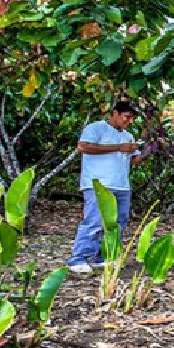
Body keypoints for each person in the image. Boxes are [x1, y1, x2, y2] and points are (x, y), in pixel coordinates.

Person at [68, 101, 145, 273]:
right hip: (99, 184)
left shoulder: (128, 136)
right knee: (95, 221)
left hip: (122, 185)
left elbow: (135, 159)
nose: (130, 121)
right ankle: (79, 258)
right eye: (127, 117)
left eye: (133, 118)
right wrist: (118, 147)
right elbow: (83, 146)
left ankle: (102, 257)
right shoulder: (96, 128)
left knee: (118, 222)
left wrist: (147, 148)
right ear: (115, 113)